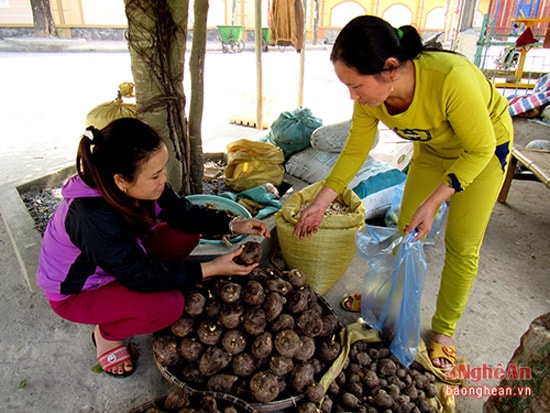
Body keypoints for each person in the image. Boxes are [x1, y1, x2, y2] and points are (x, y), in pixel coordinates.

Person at [294, 15, 513, 369]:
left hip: (483, 154)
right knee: (404, 230)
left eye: (356, 86)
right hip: (433, 151)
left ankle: (443, 330)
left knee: (462, 244)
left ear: (390, 68)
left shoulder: (449, 79)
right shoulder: (372, 98)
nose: (353, 96)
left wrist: (434, 203)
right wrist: (321, 201)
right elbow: (355, 149)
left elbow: (479, 148)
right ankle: (383, 301)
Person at [36, 117, 270, 377]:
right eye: (155, 175)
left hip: (118, 262)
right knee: (169, 306)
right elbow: (139, 275)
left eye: (163, 170)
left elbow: (184, 213)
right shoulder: (92, 216)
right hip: (78, 293)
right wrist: (208, 269)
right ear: (121, 180)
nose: (163, 180)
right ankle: (106, 333)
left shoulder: (139, 187)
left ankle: (148, 293)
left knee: (186, 233)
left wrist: (233, 224)